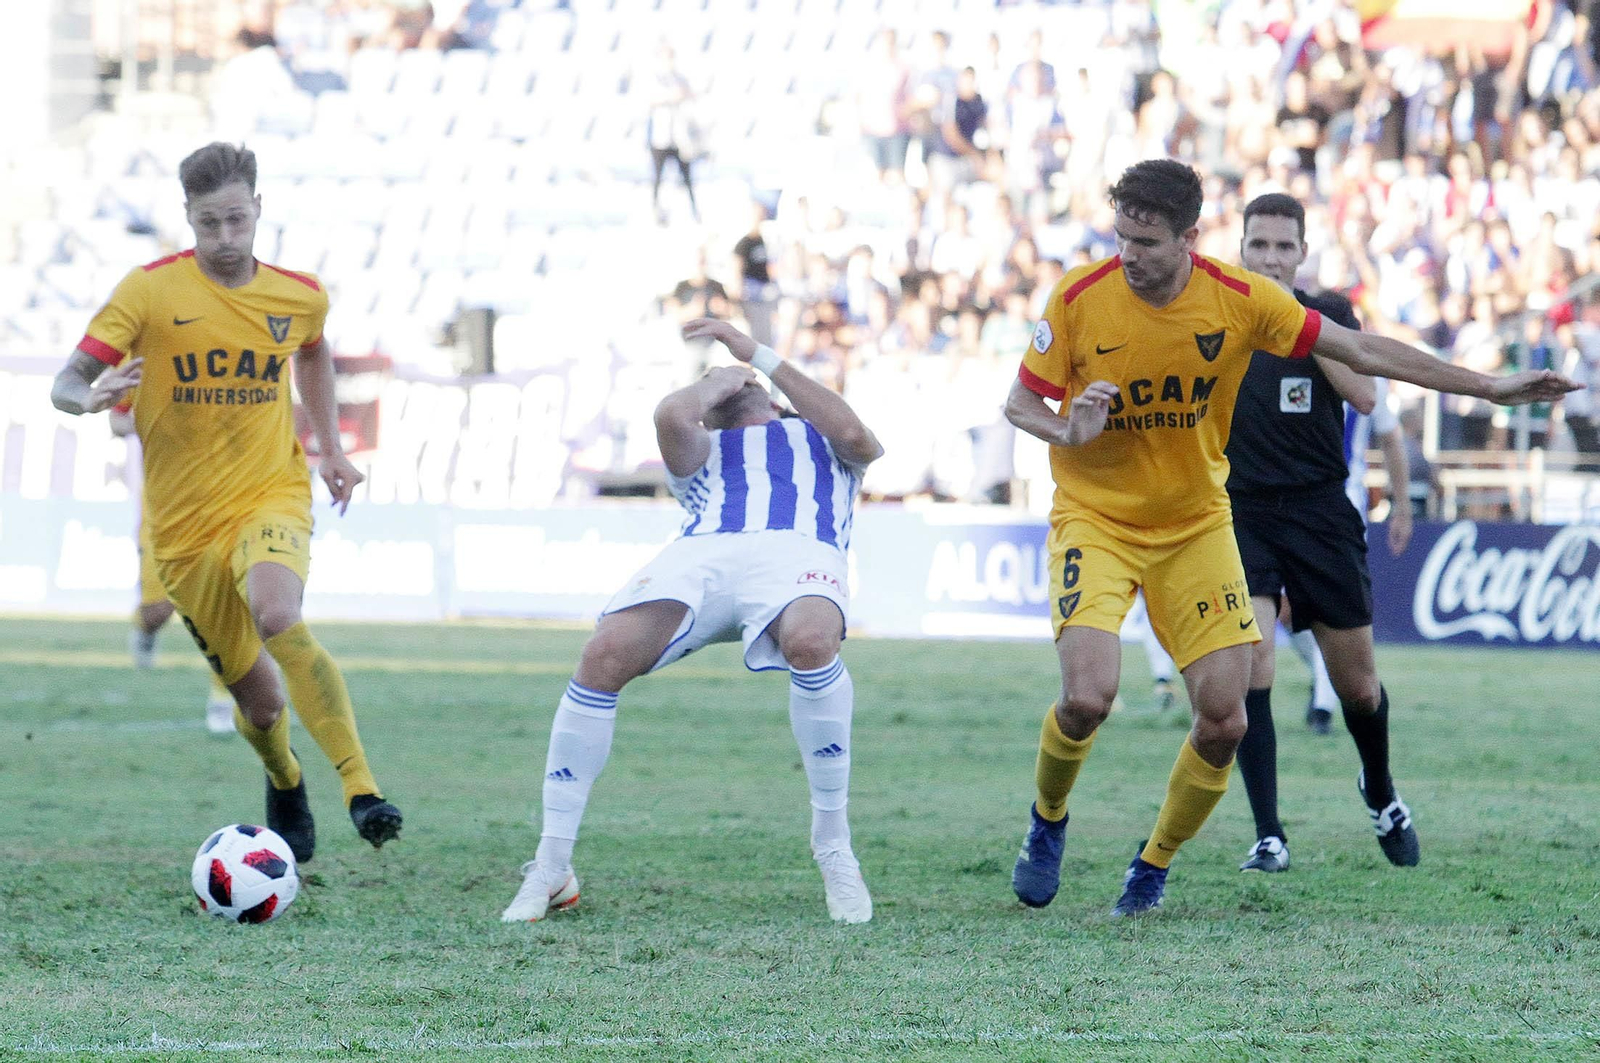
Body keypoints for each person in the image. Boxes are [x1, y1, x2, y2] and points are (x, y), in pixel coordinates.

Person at [1004, 159, 1577, 917]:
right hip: (1098, 517)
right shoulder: (1079, 298)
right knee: (1087, 697)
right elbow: (1020, 403)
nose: (1128, 254)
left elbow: (1363, 354)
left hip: (1197, 525)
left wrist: (1490, 385)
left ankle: (1153, 866)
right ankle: (1047, 822)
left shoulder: (1241, 302)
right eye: (1120, 237)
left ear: (1190, 237)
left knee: (1227, 716)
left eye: (1145, 240)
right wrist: (1068, 427)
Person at [50, 141, 402, 863]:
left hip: (270, 491)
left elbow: (312, 347)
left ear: (257, 210)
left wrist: (330, 449)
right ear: (188, 218)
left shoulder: (297, 294)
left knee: (279, 612)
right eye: (208, 224)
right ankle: (285, 775)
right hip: (181, 533)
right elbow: (66, 379)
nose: (224, 239)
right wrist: (89, 398)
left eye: (236, 221)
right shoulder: (148, 291)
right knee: (261, 704)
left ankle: (362, 790)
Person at [501, 318, 883, 925]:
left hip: (799, 547)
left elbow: (855, 431)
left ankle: (834, 847)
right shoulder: (701, 451)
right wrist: (722, 378)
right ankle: (551, 865)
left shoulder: (821, 440)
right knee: (603, 655)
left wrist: (756, 356)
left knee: (811, 642)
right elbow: (671, 418)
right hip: (707, 549)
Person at [1226, 192, 1419, 875]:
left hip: (1319, 513)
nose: (1271, 257)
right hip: (1241, 512)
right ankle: (1269, 832)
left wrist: (1298, 323)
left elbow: (1366, 397)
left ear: (1302, 253)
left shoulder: (1329, 315)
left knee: (1358, 688)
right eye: (1259, 245)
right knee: (1254, 663)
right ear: (1240, 248)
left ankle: (1380, 787)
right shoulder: (1216, 316)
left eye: (1283, 246)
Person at [113, 399, 237, 734]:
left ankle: (223, 698)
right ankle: (144, 628)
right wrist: (160, 422)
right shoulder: (151, 364)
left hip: (219, 503)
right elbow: (117, 422)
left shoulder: (230, 364)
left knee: (221, 604)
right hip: (163, 507)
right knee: (158, 611)